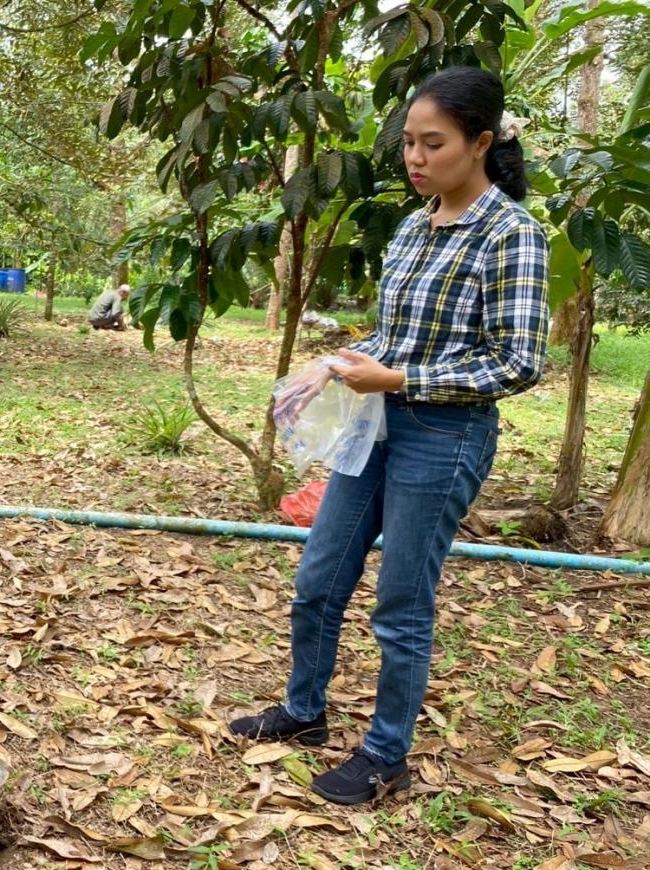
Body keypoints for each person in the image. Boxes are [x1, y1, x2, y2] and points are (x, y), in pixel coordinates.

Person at [228, 66, 549, 805]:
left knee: (401, 602)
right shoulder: (413, 225)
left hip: (445, 436)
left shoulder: (510, 235)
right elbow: (396, 335)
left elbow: (518, 361)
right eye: (408, 143)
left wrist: (401, 381)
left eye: (432, 144)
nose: (414, 158)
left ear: (481, 143)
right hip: (377, 425)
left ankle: (384, 755)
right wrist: (334, 363)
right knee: (318, 581)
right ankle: (305, 713)